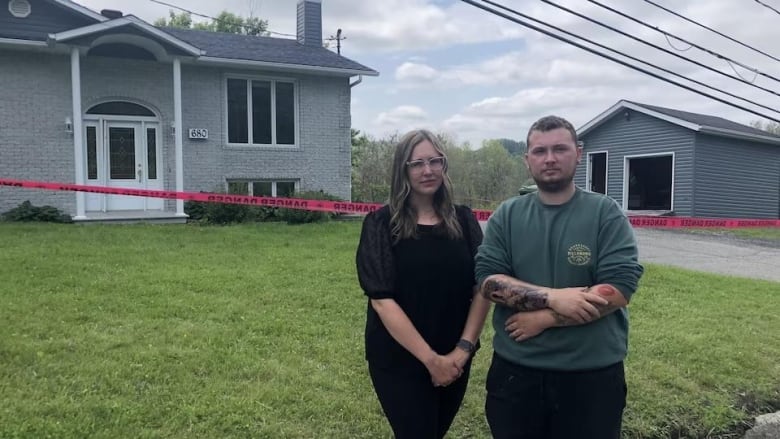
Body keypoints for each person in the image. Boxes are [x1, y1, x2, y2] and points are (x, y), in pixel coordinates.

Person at [475, 115, 644, 439]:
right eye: (539, 151)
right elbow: (489, 281)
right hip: (516, 375)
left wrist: (547, 318)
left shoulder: (605, 213)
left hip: (591, 377)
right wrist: (553, 297)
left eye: (559, 149)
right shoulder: (507, 216)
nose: (549, 158)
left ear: (578, 153)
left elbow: (619, 288)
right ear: (527, 160)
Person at [356, 129, 492, 438]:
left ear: (444, 165)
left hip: (457, 355)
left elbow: (482, 287)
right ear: (402, 170)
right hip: (399, 359)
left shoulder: (464, 220)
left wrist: (463, 349)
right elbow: (381, 299)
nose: (427, 170)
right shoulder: (380, 224)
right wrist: (432, 361)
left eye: (434, 161)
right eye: (416, 163)